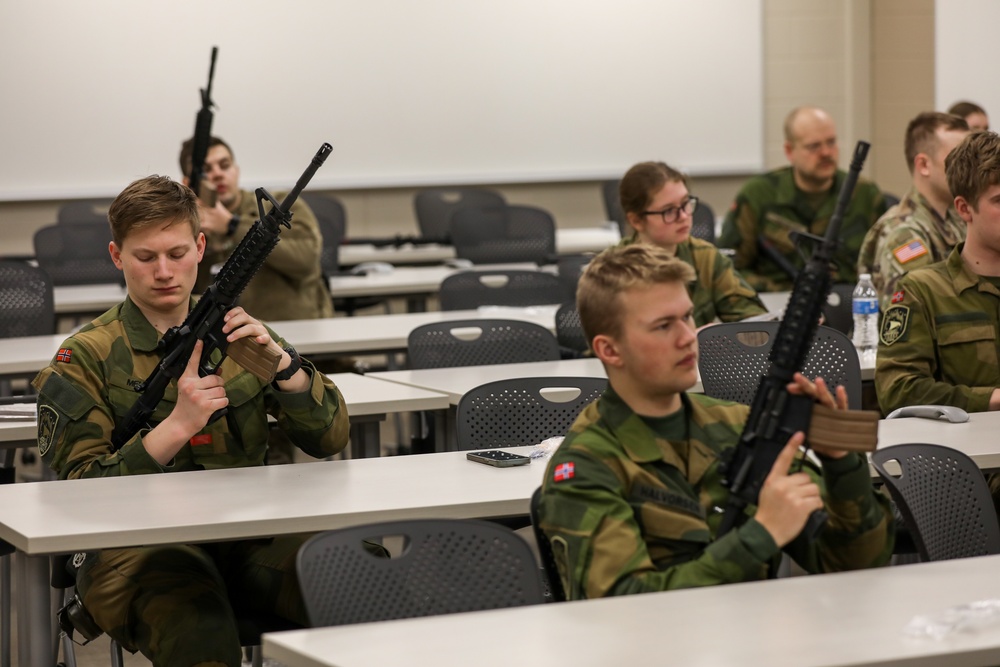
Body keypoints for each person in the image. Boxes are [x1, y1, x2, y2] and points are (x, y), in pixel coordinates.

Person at [32, 175, 353, 666]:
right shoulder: (84, 358)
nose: (164, 271)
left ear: (201, 247)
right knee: (197, 626)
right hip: (134, 546)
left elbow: (330, 438)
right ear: (117, 256)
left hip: (245, 534)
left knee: (360, 574)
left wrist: (285, 369)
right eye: (145, 257)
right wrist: (175, 427)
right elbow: (76, 495)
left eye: (178, 253)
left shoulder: (242, 336)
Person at [535, 244, 893, 600]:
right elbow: (624, 606)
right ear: (609, 350)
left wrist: (841, 465)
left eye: (687, 317)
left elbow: (856, 564)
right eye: (662, 326)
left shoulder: (737, 426)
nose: (688, 337)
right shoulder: (585, 466)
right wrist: (761, 534)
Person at [719, 106, 888, 292]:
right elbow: (729, 268)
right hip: (780, 303)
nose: (826, 152)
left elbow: (884, 265)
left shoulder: (865, 195)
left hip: (850, 306)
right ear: (789, 151)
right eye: (814, 146)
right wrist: (778, 289)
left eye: (831, 142)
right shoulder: (758, 195)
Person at [179, 135, 333, 321]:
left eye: (225, 165)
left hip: (292, 328)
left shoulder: (279, 206)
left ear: (236, 170)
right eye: (206, 170)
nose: (218, 174)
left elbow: (307, 260)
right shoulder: (186, 225)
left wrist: (232, 225)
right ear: (189, 183)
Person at [618, 161, 767, 327]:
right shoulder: (614, 271)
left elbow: (756, 321)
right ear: (636, 220)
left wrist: (718, 336)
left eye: (685, 203)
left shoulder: (706, 258)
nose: (683, 216)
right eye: (669, 210)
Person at [857, 112, 969, 309]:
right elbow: (916, 316)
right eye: (958, 158)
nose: (969, 167)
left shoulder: (957, 218)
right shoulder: (904, 234)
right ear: (924, 165)